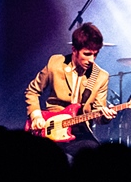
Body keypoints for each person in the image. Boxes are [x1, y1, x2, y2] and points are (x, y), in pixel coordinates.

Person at [25, 22, 117, 158]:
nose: (91, 60)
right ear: (74, 50)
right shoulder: (55, 63)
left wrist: (105, 117)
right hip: (50, 127)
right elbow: (32, 91)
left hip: (80, 132)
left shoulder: (101, 76)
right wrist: (36, 116)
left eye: (95, 55)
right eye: (87, 54)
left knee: (98, 158)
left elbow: (98, 112)